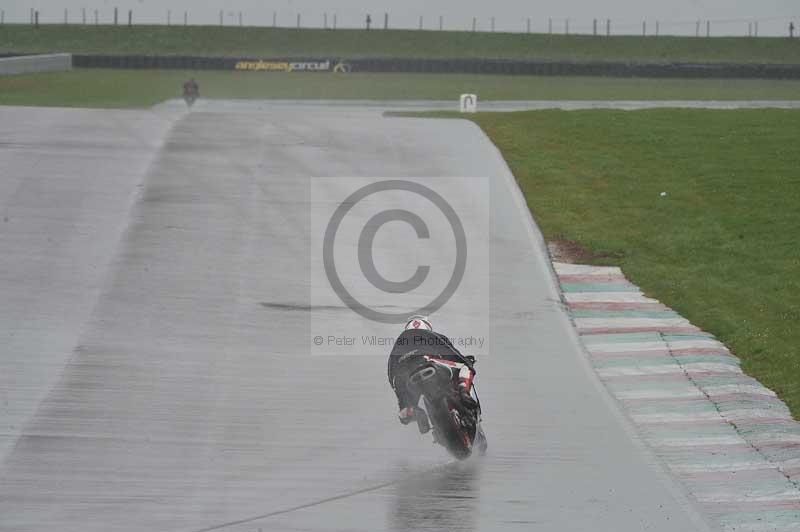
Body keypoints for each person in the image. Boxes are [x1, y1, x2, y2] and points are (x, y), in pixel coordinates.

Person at [387, 315, 478, 427]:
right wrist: (466, 361)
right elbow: (450, 352)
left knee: (406, 405)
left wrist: (403, 402)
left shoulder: (398, 343)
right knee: (465, 367)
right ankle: (464, 392)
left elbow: (392, 375)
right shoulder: (432, 336)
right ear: (427, 327)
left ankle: (410, 411)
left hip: (406, 377)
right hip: (428, 363)